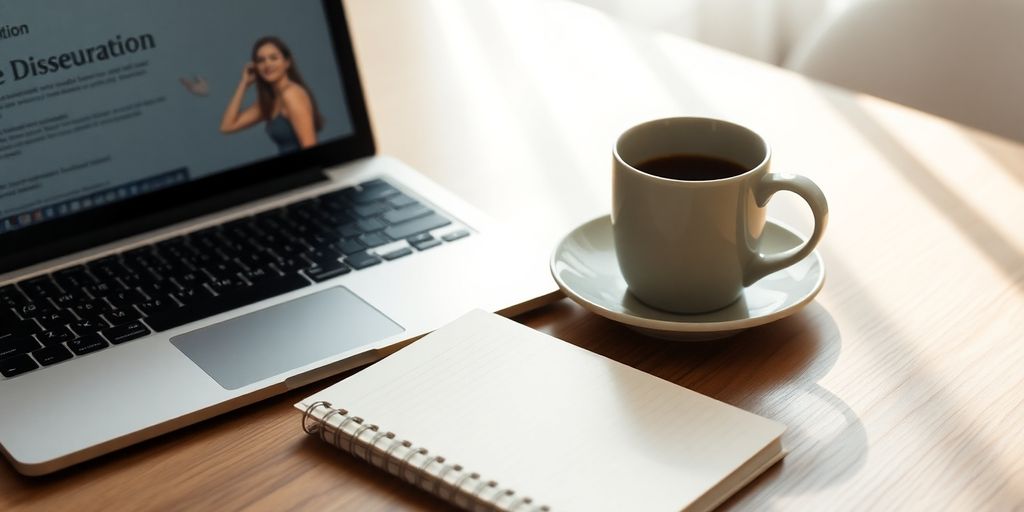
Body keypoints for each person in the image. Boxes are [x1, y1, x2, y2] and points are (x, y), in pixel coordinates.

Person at [220, 36, 324, 153]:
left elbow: (311, 149)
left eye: (273, 58)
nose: (267, 64)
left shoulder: (291, 94)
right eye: (261, 60)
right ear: (256, 67)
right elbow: (227, 126)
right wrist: (244, 84)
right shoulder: (270, 101)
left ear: (287, 63)